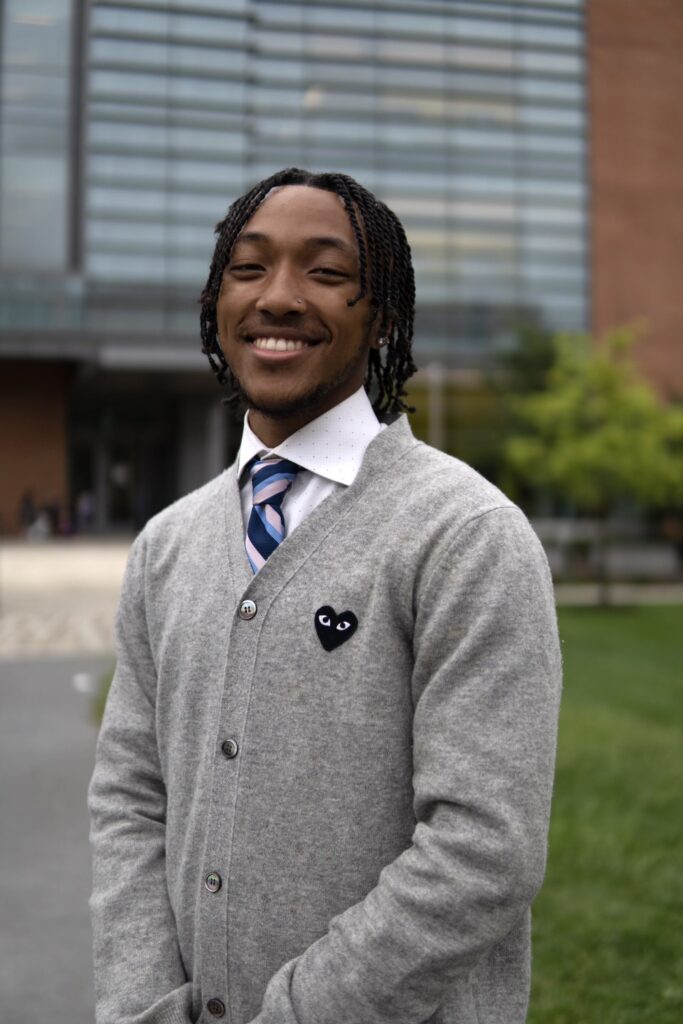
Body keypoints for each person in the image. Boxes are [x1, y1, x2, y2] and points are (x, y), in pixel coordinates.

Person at [89, 168, 562, 1024]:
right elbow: (129, 795)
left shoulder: (464, 535)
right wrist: (140, 1001)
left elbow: (484, 851)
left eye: (326, 272)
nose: (279, 296)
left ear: (378, 316)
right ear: (215, 303)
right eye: (249, 268)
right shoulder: (165, 545)